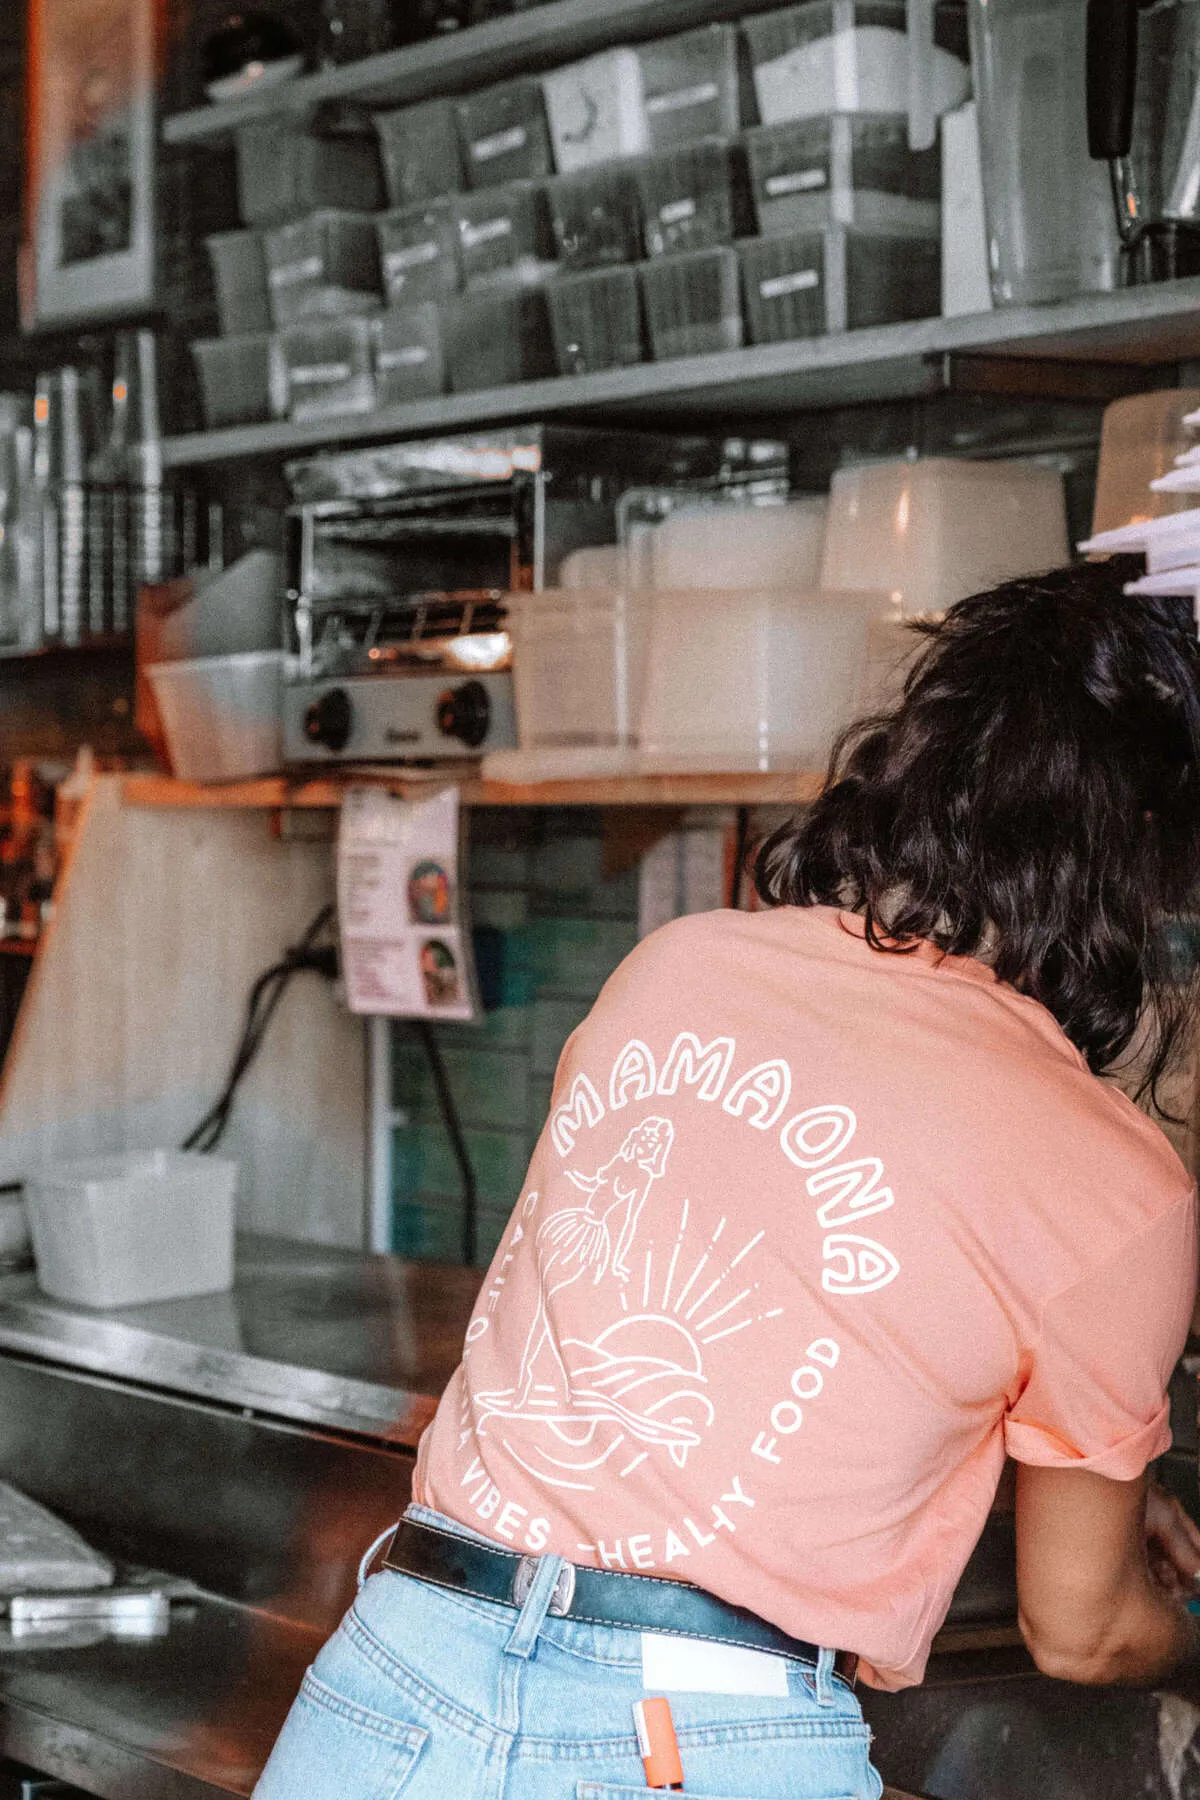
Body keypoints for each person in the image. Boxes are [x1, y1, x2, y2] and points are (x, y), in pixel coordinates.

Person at [255, 561, 1200, 1800]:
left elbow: (806, 1321)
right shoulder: (1116, 1178)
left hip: (396, 1672)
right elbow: (1082, 1631)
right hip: (700, 1739)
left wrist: (1086, 1499)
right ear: (1143, 867)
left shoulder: (677, 968)